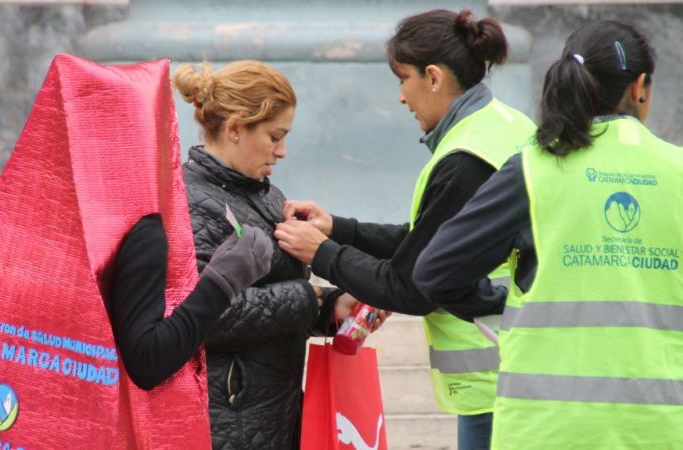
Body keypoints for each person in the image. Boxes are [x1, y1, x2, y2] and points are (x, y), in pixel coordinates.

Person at [274, 10, 535, 450]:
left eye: (402, 79)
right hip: (518, 363)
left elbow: (412, 284)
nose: (400, 97)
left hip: (496, 375)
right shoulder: (506, 125)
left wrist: (321, 253)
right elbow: (428, 242)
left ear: (433, 77)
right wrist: (338, 229)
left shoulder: (465, 160)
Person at [413, 21, 681, 449]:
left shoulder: (534, 168)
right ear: (640, 87)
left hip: (544, 428)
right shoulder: (678, 173)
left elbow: (435, 272)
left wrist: (511, 313)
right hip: (660, 428)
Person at [172, 60, 365, 449]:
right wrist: (309, 300)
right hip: (229, 419)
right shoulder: (191, 201)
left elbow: (274, 297)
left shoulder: (263, 193)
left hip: (272, 410)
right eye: (275, 136)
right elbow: (203, 317)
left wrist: (332, 306)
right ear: (235, 128)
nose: (282, 152)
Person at [109, 214, 272, 390]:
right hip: (214, 395)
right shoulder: (149, 217)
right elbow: (146, 359)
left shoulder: (274, 202)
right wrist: (304, 296)